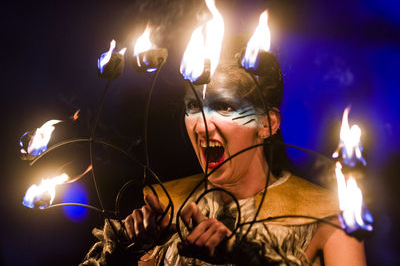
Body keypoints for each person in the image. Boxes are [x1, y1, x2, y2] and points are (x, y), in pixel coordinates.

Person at [81, 47, 367, 266]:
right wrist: (125, 251)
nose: (201, 123)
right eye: (193, 105)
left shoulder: (327, 218)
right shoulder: (164, 211)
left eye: (225, 106)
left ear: (267, 124)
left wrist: (249, 257)